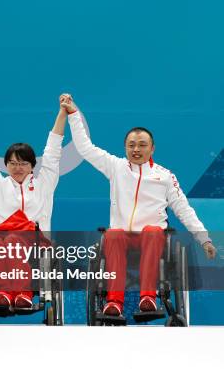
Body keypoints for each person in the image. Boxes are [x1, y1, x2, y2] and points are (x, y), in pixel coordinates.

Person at [63, 95, 217, 316]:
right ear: (125, 147)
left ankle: (148, 298)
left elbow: (184, 209)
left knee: (153, 232)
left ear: (152, 148)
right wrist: (73, 114)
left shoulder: (164, 176)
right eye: (131, 145)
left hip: (152, 239)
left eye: (142, 145)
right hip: (122, 238)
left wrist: (204, 239)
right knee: (113, 234)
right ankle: (114, 302)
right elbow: (84, 147)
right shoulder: (115, 167)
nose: (136, 149)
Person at [0, 93, 67, 308]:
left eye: (22, 163)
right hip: (0, 239)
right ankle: (6, 292)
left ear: (32, 166)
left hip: (36, 242)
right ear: (5, 166)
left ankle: (22, 293)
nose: (17, 168)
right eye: (12, 163)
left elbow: (53, 150)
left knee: (12, 241)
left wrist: (62, 114)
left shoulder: (44, 183)